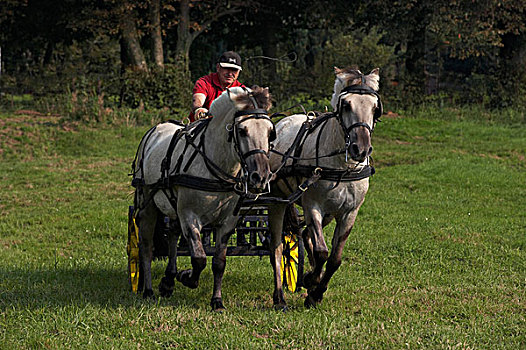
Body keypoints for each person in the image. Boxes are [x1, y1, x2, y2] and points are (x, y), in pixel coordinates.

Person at [189, 51, 245, 122]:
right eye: (226, 68)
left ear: (239, 72)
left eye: (234, 70)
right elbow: (198, 99)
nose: (230, 73)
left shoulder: (242, 90)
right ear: (218, 67)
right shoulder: (205, 82)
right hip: (199, 126)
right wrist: (199, 109)